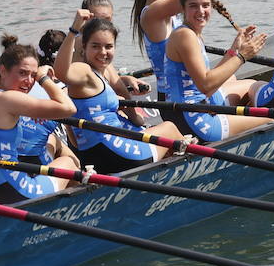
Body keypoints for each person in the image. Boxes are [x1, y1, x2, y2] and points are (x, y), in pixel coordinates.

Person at [55, 9, 185, 173]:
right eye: (95, 46)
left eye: (108, 46)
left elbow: (74, 139)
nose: (103, 52)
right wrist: (74, 30)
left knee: (156, 135)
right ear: (84, 48)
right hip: (116, 153)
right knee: (169, 128)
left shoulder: (98, 72)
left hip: (93, 156)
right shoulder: (84, 71)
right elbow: (61, 72)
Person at [0, 36, 78, 202]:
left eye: (33, 75)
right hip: (12, 191)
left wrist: (33, 111)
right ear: (3, 71)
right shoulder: (9, 99)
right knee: (68, 162)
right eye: (23, 73)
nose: (30, 81)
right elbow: (69, 108)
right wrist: (43, 78)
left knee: (51, 145)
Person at [163, 0, 270, 142]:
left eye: (205, 5)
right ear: (183, 9)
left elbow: (209, 80)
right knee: (271, 119)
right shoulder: (185, 36)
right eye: (193, 6)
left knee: (250, 85)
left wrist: (234, 49)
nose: (201, 11)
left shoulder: (191, 32)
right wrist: (241, 57)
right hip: (196, 119)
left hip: (191, 109)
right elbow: (205, 85)